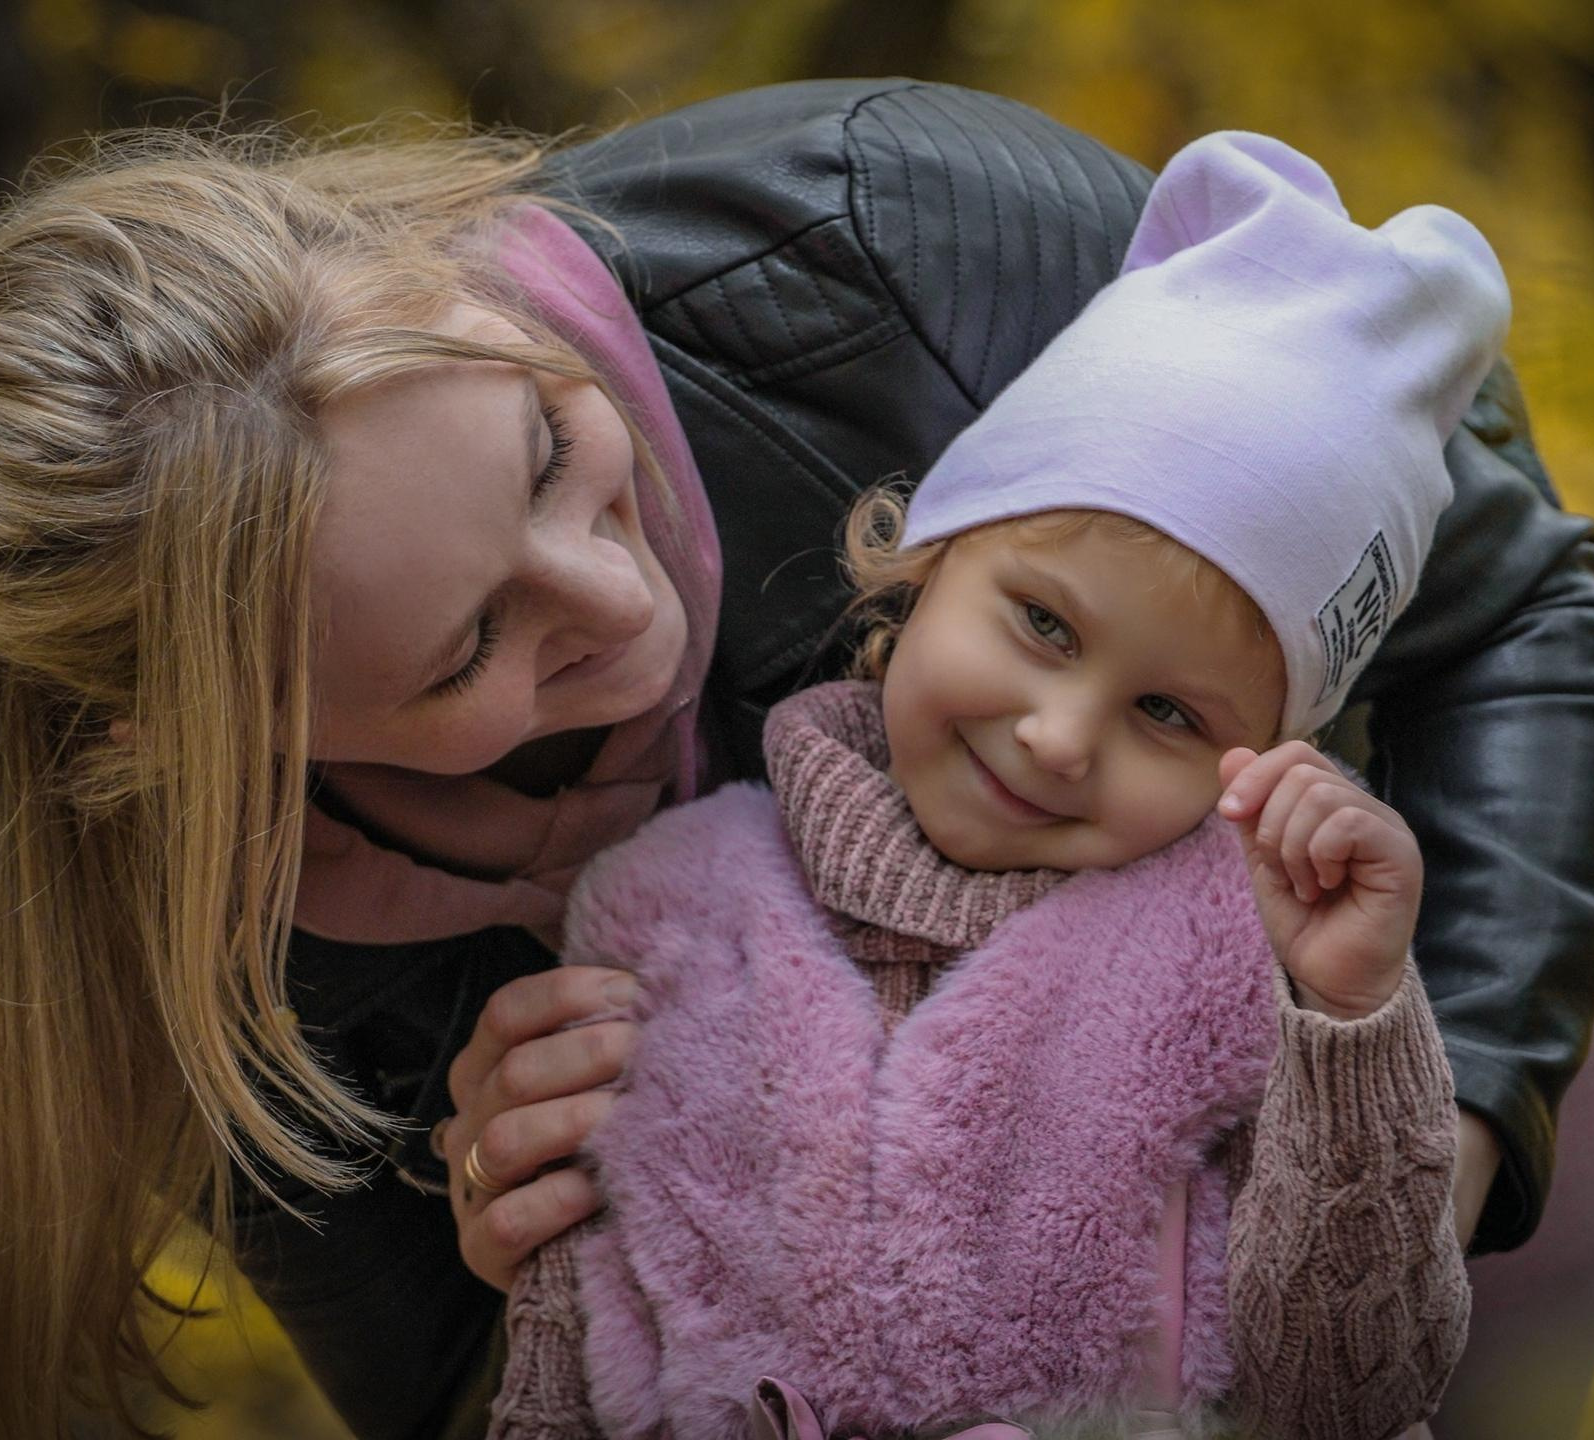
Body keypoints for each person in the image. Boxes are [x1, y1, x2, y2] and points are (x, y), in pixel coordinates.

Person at [0, 79, 1594, 1440]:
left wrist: (1407, 1167)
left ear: (436, 279)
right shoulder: (206, 961)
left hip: (1436, 867)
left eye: (548, 451)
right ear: (197, 749)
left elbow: (1517, 611)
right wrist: (523, 1253)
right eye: (469, 649)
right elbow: (464, 1402)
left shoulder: (876, 241)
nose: (618, 597)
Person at [487, 129, 1504, 1440]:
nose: (1063, 737)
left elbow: (1355, 1392)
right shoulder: (667, 903)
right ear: (922, 562)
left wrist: (1354, 1022)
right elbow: (565, 1340)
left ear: (1260, 756)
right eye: (1044, 624)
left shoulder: (1246, 958)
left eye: (1169, 713)